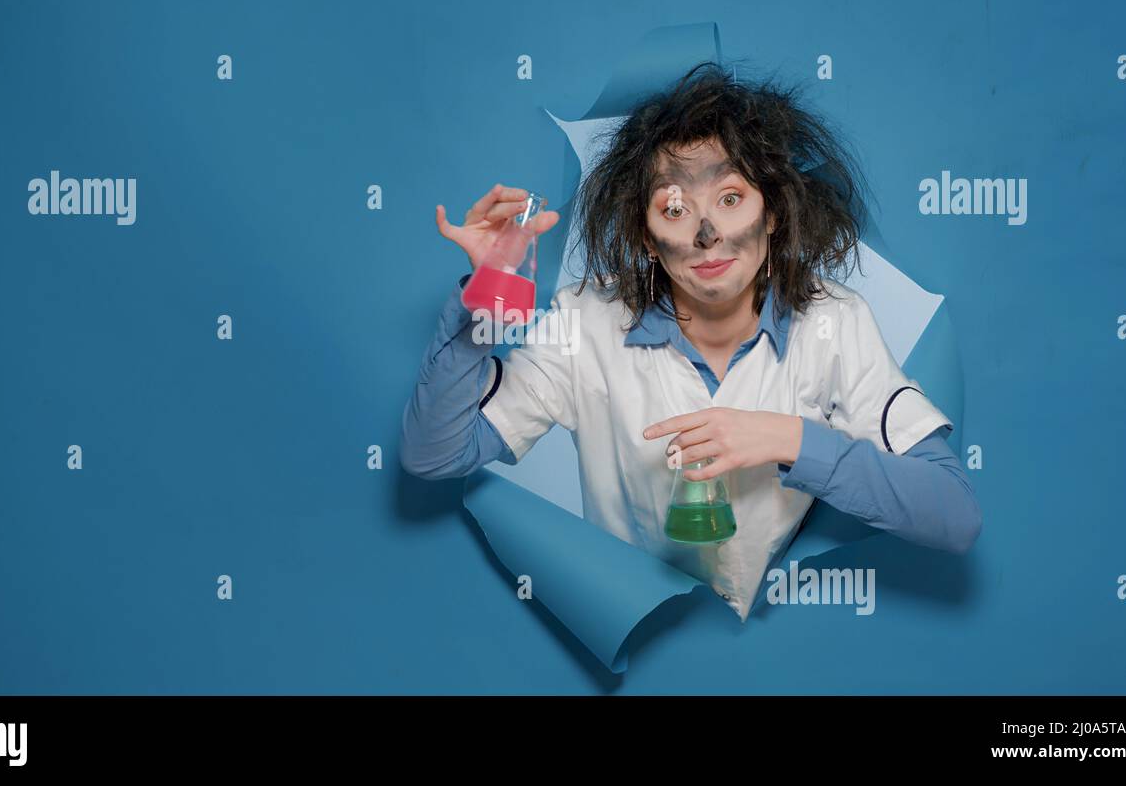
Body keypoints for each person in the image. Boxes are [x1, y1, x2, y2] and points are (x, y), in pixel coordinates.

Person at [400, 61, 981, 620]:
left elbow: (953, 514)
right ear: (646, 237)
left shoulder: (833, 322)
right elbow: (435, 455)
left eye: (730, 198)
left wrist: (786, 438)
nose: (707, 236)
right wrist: (487, 292)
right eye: (673, 207)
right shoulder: (587, 321)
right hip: (640, 646)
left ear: (773, 212)